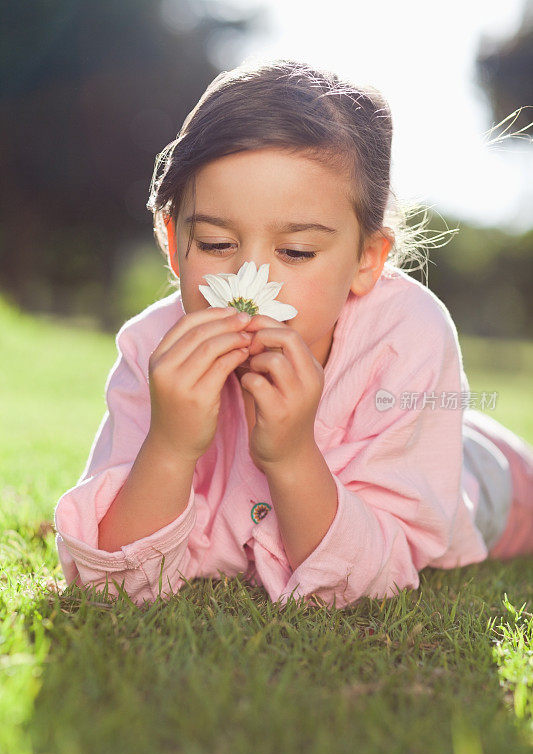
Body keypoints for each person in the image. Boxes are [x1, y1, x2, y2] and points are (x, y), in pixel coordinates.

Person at [53, 58, 533, 609]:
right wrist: (169, 446)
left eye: (297, 252)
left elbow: (376, 576)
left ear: (366, 260)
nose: (249, 283)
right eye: (213, 244)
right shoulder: (151, 351)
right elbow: (109, 581)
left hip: (476, 476)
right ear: (172, 241)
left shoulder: (409, 338)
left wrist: (292, 456)